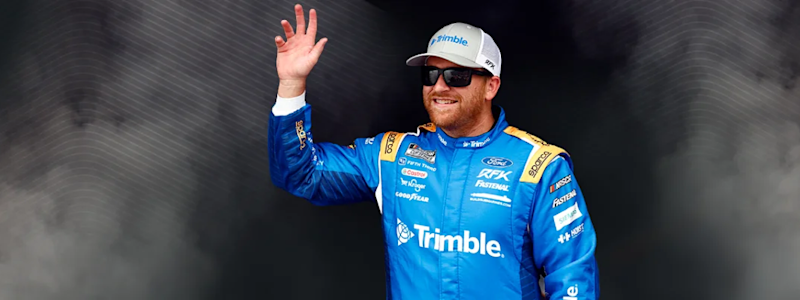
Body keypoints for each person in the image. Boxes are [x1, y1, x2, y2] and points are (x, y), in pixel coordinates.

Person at [268, 4, 600, 300]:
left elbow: (572, 280)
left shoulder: (538, 167)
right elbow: (301, 173)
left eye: (457, 75)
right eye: (431, 74)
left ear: (491, 86)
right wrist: (291, 85)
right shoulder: (391, 156)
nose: (440, 86)